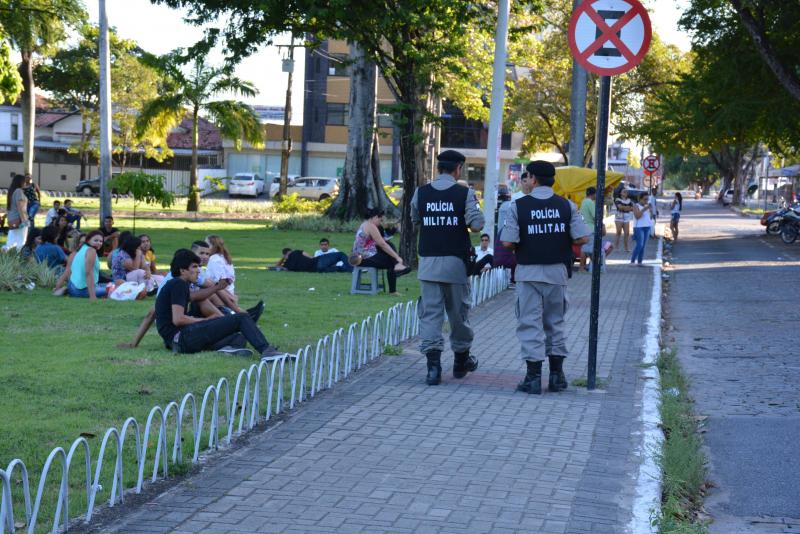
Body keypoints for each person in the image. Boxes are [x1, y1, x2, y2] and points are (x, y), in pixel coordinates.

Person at [500, 160, 591, 394]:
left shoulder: (517, 206)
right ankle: (557, 377)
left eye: (527, 177)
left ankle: (532, 379)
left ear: (533, 179)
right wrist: (559, 240)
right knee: (555, 323)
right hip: (557, 272)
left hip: (528, 273)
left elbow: (508, 242)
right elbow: (582, 238)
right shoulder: (567, 206)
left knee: (530, 323)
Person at [410, 149, 484, 385]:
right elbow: (477, 225)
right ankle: (461, 361)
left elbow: (415, 219)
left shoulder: (420, 192)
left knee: (430, 314)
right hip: (455, 264)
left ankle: (433, 369)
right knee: (458, 314)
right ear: (458, 169)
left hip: (428, 264)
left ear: (438, 168)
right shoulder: (464, 193)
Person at [154, 248, 281, 357]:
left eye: (198, 266)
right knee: (241, 319)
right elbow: (178, 319)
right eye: (194, 266)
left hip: (179, 341)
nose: (198, 270)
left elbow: (198, 297)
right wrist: (206, 320)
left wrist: (217, 287)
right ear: (182, 270)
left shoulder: (177, 284)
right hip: (182, 338)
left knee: (239, 337)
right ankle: (267, 351)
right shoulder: (178, 284)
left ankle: (226, 349)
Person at [350, 208, 410, 295]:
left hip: (363, 255)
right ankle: (394, 283)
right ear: (374, 217)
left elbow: (379, 243)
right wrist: (397, 257)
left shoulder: (365, 224)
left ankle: (397, 269)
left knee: (389, 249)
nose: (380, 222)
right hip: (361, 258)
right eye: (380, 219)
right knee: (390, 261)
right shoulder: (371, 226)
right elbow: (382, 244)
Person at [67, 230, 111, 299]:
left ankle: (66, 290)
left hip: (72, 286)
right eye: (96, 240)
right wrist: (93, 296)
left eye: (101, 241)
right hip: (81, 291)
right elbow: (88, 273)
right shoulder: (91, 251)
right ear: (88, 240)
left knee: (112, 284)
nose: (98, 243)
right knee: (115, 288)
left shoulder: (82, 248)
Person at [578, 186, 605, 272]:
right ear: (593, 194)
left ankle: (583, 267)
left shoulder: (583, 201)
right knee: (589, 248)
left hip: (584, 227)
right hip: (591, 228)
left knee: (585, 247)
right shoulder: (590, 202)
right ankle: (586, 267)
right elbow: (595, 216)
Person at [3, 174, 29, 251]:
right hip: (19, 220)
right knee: (21, 241)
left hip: (12, 220)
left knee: (11, 242)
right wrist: (24, 221)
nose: (25, 183)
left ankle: (4, 255)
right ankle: (18, 258)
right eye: (24, 181)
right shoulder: (19, 191)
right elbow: (20, 207)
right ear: (20, 182)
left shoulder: (11, 191)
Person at [279, 247, 353, 273]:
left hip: (316, 270)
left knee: (339, 269)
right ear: (290, 252)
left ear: (284, 255)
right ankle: (352, 269)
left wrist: (283, 259)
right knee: (340, 254)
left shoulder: (287, 266)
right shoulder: (296, 252)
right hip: (317, 261)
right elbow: (310, 257)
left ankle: (349, 269)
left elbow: (277, 266)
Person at [631, 191, 653, 265]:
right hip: (638, 227)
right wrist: (644, 209)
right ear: (640, 199)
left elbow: (651, 216)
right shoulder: (636, 206)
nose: (646, 201)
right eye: (644, 199)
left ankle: (640, 262)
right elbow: (637, 216)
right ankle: (632, 261)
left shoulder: (647, 206)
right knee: (639, 244)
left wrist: (651, 210)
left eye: (647, 199)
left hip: (647, 226)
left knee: (643, 246)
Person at [614, 187, 634, 252]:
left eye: (626, 192)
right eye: (624, 191)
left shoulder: (629, 200)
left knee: (627, 233)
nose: (626, 193)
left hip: (627, 217)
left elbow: (632, 208)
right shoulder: (617, 199)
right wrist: (627, 207)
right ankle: (616, 247)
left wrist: (624, 208)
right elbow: (619, 207)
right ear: (620, 193)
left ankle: (626, 248)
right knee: (619, 232)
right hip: (619, 217)